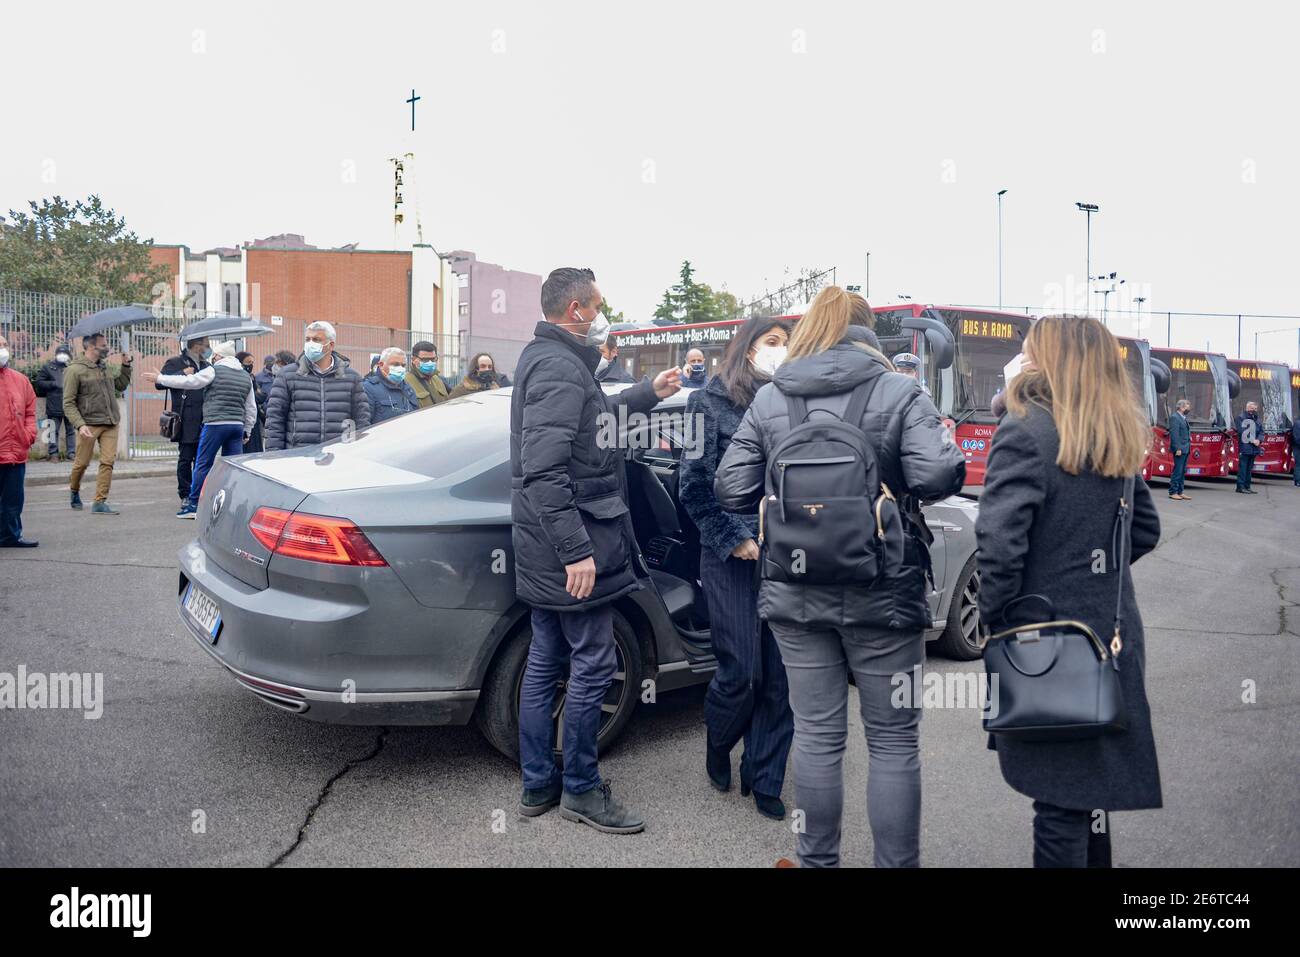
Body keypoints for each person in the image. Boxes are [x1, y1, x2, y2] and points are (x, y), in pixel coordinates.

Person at [715, 286, 965, 867]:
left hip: (795, 591)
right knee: (893, 741)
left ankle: (816, 861)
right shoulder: (901, 390)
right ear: (865, 332)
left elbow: (729, 488)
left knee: (818, 737)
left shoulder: (773, 399)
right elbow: (937, 475)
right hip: (885, 587)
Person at [976, 314, 1162, 868]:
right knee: (1087, 797)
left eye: (1030, 351)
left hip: (1049, 645)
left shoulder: (1026, 428)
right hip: (1111, 637)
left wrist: (998, 623)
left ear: (1051, 361)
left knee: (1058, 804)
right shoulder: (1113, 429)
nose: (1021, 361)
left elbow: (998, 546)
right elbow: (1146, 530)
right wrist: (1090, 577)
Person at [512, 266, 680, 834]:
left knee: (544, 662)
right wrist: (575, 550)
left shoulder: (550, 359)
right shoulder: (560, 367)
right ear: (577, 309)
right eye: (599, 305)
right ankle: (581, 789)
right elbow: (543, 470)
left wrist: (647, 394)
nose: (603, 316)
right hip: (574, 548)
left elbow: (594, 426)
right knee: (591, 664)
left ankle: (539, 783)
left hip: (548, 546)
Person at [678, 316, 794, 819]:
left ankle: (765, 775)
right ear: (748, 350)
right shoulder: (708, 401)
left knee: (781, 676)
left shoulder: (794, 400)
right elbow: (694, 487)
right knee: (741, 670)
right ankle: (719, 740)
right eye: (772, 343)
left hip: (788, 553)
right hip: (730, 555)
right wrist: (734, 538)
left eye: (787, 344)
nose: (781, 352)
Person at [148, 341, 257, 519]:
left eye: (214, 355)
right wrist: (248, 430)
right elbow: (251, 407)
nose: (212, 357)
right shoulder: (245, 376)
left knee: (203, 463)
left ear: (219, 356)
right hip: (236, 426)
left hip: (215, 424)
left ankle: (193, 505)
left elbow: (191, 382)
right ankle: (231, 506)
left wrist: (161, 379)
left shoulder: (214, 370)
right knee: (233, 468)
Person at [263, 321, 371, 451]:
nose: (310, 343)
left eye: (316, 339)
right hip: (298, 454)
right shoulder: (287, 375)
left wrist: (358, 452)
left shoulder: (352, 378)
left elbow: (361, 420)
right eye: (307, 339)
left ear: (331, 345)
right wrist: (274, 455)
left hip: (339, 455)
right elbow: (275, 419)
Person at [63, 333, 132, 514]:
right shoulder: (74, 370)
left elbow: (120, 385)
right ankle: (74, 490)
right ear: (92, 347)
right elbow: (68, 403)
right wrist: (80, 425)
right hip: (89, 424)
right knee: (81, 463)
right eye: (104, 344)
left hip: (110, 422)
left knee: (108, 462)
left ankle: (99, 502)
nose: (107, 347)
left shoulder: (104, 367)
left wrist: (126, 365)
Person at [156, 335, 211, 504]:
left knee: (201, 459)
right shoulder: (175, 362)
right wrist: (182, 374)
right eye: (206, 345)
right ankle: (185, 493)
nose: (208, 348)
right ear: (196, 345)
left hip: (205, 417)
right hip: (186, 419)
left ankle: (199, 492)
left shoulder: (206, 365)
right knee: (186, 457)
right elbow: (159, 384)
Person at [0, 333, 39, 547]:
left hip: (16, 451)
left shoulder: (21, 380)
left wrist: (29, 434)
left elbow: (30, 412)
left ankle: (10, 536)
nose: (3, 349)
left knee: (14, 499)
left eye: (5, 344)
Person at [34, 344, 75, 460]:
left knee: (71, 431)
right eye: (60, 353)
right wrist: (53, 384)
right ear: (56, 355)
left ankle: (71, 453)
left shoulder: (72, 367)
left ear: (69, 355)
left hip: (70, 404)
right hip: (54, 405)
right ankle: (53, 454)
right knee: (52, 430)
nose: (62, 355)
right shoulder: (48, 367)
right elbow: (39, 382)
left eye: (65, 353)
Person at [361, 347, 420, 423]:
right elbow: (363, 423)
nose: (400, 368)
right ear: (381, 365)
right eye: (395, 365)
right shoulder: (368, 388)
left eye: (403, 365)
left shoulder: (408, 388)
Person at [236, 351, 265, 453]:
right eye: (248, 362)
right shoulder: (239, 377)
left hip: (254, 418)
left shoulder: (252, 377)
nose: (251, 365)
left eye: (252, 362)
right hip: (242, 417)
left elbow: (260, 395)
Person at [406, 341, 449, 407]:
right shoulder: (406, 382)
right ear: (413, 360)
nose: (430, 363)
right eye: (425, 360)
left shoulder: (438, 379)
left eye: (433, 359)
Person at [1167, 398, 1192, 500]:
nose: (1189, 408)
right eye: (1187, 406)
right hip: (1180, 449)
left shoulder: (1183, 417)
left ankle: (1180, 491)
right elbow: (1174, 435)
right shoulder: (1175, 418)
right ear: (1181, 407)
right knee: (1178, 470)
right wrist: (1177, 448)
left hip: (1186, 448)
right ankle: (1173, 492)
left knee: (1182, 471)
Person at [1235, 401, 1262, 494]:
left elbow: (1261, 431)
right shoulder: (1241, 418)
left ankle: (1247, 486)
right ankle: (1240, 487)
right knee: (1243, 468)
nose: (1253, 410)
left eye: (1255, 409)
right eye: (1251, 408)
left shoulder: (1257, 419)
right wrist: (1253, 440)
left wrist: (1259, 440)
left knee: (1249, 468)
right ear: (1247, 408)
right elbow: (1242, 432)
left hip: (1254, 448)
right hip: (1245, 447)